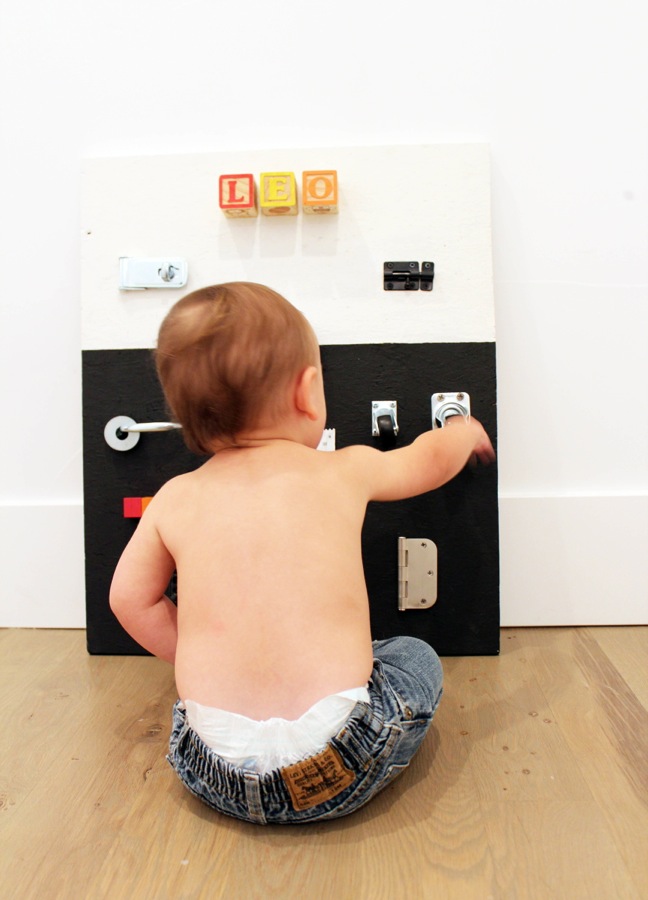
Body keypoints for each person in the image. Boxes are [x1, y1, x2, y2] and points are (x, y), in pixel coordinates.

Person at [109, 282, 495, 824]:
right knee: (411, 656)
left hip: (212, 766)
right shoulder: (342, 470)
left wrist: (199, 653)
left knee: (200, 701)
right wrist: (461, 431)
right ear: (307, 392)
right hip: (339, 760)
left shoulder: (175, 498)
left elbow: (129, 601)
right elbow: (424, 460)